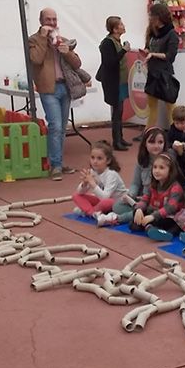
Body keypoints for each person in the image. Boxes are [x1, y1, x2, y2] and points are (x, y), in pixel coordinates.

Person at [29, 8, 81, 179]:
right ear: (41, 21)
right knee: (55, 126)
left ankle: (57, 162)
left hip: (65, 87)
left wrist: (68, 53)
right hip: (48, 88)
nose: (52, 23)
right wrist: (44, 38)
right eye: (48, 19)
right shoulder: (33, 40)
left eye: (54, 19)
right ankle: (56, 166)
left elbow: (77, 64)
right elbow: (35, 60)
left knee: (62, 128)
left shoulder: (62, 40)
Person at [107, 127, 166, 226]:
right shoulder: (142, 162)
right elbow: (135, 183)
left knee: (152, 211)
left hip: (158, 202)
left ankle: (120, 218)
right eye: (152, 142)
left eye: (160, 142)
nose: (156, 146)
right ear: (145, 144)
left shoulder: (167, 162)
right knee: (117, 206)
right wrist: (131, 195)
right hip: (142, 198)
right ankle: (138, 215)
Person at [96, 15, 132, 151]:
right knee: (117, 111)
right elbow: (110, 62)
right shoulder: (107, 43)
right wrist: (124, 50)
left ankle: (120, 137)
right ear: (115, 29)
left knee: (120, 110)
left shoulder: (117, 40)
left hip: (121, 80)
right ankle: (116, 141)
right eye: (121, 25)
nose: (124, 26)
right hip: (113, 82)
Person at [131, 152, 185, 241]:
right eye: (155, 167)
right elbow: (145, 199)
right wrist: (138, 209)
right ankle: (149, 227)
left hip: (169, 216)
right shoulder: (153, 185)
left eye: (161, 168)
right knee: (135, 218)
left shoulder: (175, 187)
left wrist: (153, 216)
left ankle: (157, 230)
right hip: (154, 212)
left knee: (167, 222)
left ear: (170, 171)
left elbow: (170, 208)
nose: (156, 171)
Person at [142, 3, 179, 129]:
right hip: (152, 72)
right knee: (152, 106)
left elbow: (170, 56)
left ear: (158, 17)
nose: (149, 18)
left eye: (151, 15)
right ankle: (148, 132)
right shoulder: (152, 31)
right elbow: (148, 47)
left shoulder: (172, 33)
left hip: (164, 73)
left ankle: (176, 131)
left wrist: (153, 55)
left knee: (170, 105)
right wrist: (147, 51)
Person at [72, 141, 127, 218]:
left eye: (99, 158)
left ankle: (88, 211)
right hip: (101, 200)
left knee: (107, 202)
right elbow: (79, 192)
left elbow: (105, 197)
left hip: (116, 203)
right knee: (76, 196)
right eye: (92, 157)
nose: (95, 161)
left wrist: (92, 183)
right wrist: (84, 184)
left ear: (108, 160)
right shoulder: (92, 171)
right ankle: (93, 213)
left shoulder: (111, 174)